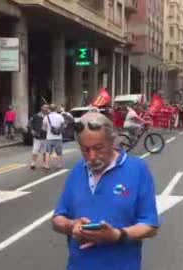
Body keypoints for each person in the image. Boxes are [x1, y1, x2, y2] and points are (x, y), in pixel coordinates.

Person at [52, 112, 159, 270]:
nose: (92, 156)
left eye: (98, 148)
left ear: (112, 141)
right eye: (85, 150)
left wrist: (117, 235)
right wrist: (71, 225)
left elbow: (150, 226)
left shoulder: (137, 169)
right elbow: (57, 218)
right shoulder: (77, 171)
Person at [43, 104, 65, 170]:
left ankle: (46, 165)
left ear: (49, 109)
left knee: (47, 151)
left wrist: (48, 130)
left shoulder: (46, 117)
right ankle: (59, 164)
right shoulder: (60, 116)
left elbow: (44, 127)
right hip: (58, 137)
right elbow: (63, 126)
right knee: (59, 152)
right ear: (56, 109)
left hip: (49, 137)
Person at [29, 104, 49, 169]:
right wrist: (32, 130)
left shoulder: (49, 116)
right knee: (35, 150)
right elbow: (31, 124)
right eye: (44, 107)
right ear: (41, 108)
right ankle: (33, 163)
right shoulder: (36, 116)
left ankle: (45, 163)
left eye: (47, 108)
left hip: (46, 136)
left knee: (45, 151)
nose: (45, 109)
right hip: (37, 136)